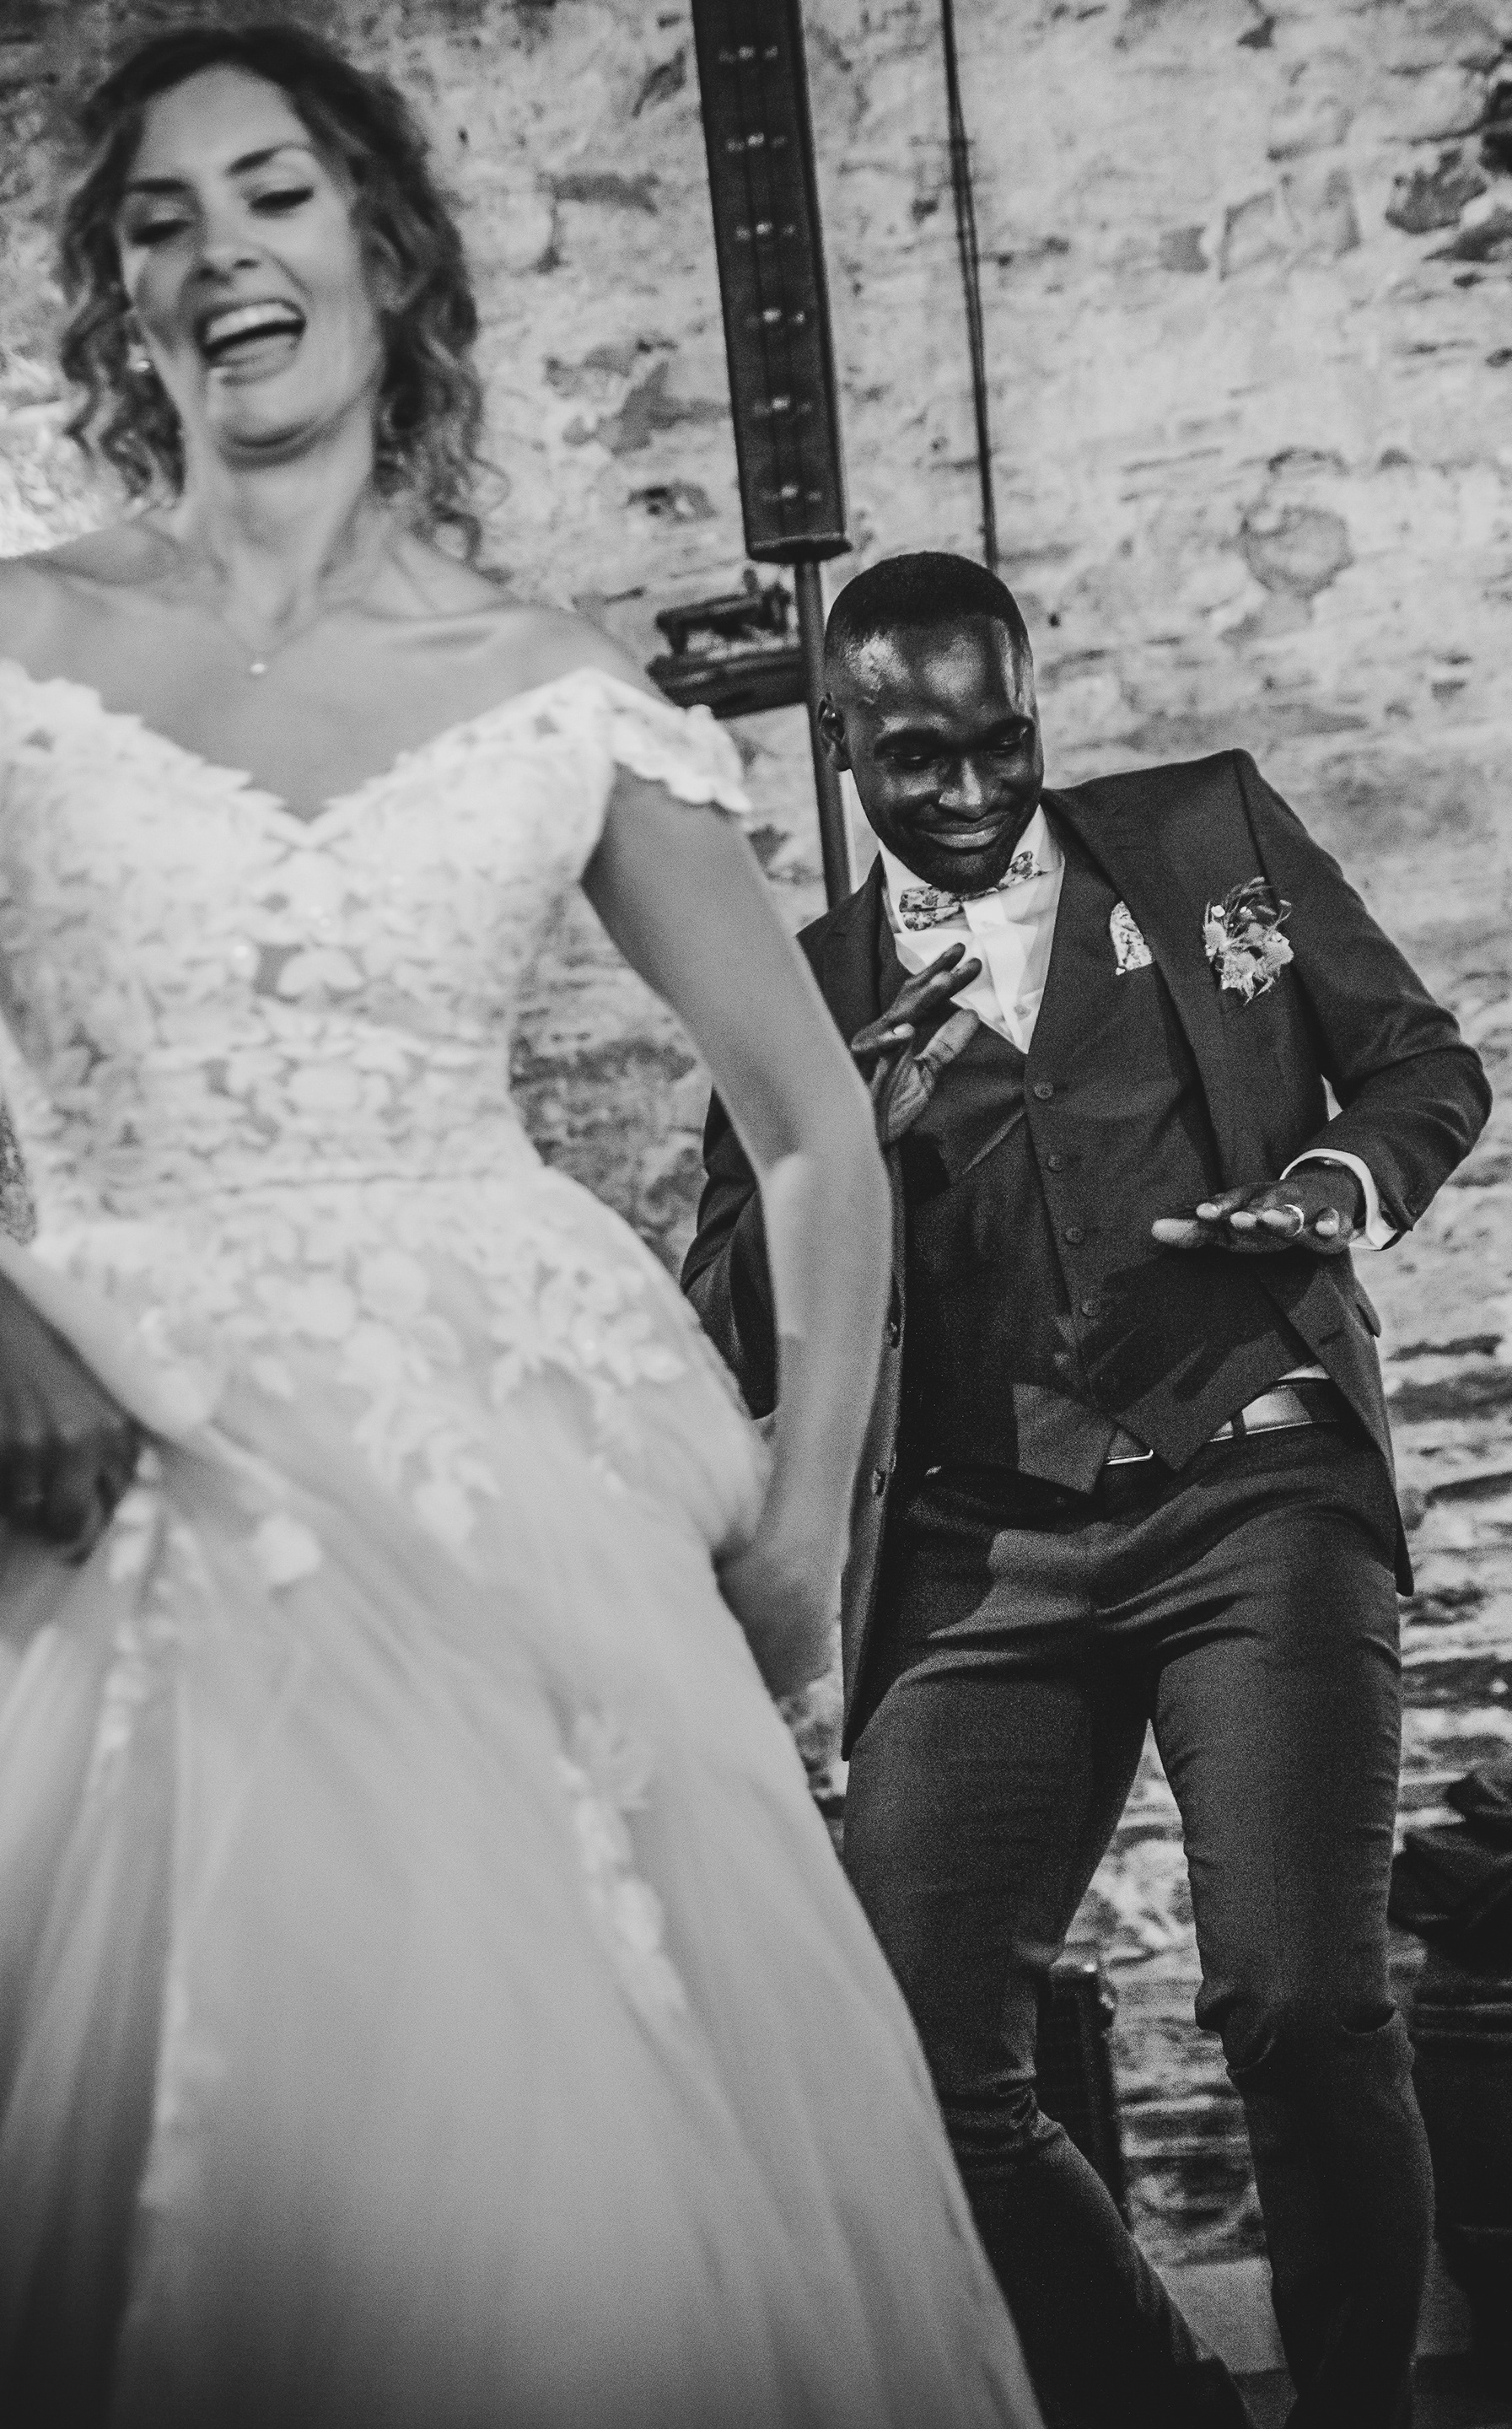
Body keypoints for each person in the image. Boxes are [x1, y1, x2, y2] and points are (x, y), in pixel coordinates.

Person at [0, 35, 1047, 2429]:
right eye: (160, 217)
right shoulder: (21, 651)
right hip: (117, 1459)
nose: (221, 249)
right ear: (117, 296)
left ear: (384, 248)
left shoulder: (557, 690)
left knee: (552, 2189)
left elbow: (815, 1126)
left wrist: (808, 1520)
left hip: (513, 1501)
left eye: (274, 192)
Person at [684, 551, 1493, 2429]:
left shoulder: (1208, 841)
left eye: (1003, 743)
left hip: (1255, 1493)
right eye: (918, 760)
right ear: (841, 747)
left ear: (1034, 709)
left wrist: (1331, 1188)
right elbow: (723, 1308)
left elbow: (1422, 1067)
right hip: (981, 1553)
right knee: (908, 2066)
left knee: (1301, 2002)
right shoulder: (799, 994)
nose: (972, 793)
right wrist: (840, 1154)